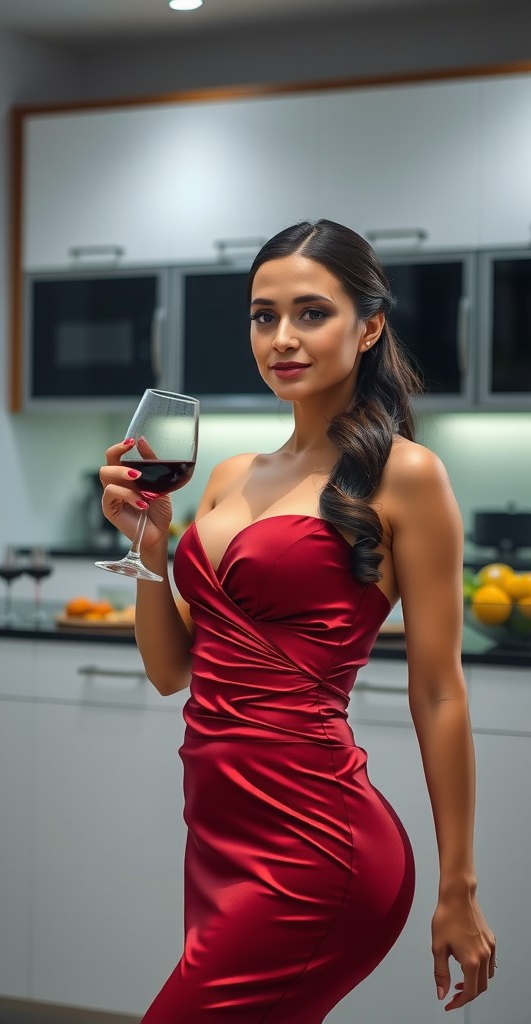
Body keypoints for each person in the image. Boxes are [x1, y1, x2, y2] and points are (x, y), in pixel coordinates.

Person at [99, 219, 495, 1023]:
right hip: (215, 836)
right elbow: (173, 670)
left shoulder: (408, 477)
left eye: (312, 313)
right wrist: (149, 546)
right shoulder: (231, 474)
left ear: (370, 325)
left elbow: (440, 692)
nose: (282, 338)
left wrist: (459, 887)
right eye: (262, 315)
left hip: (317, 844)